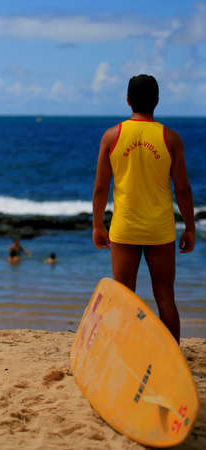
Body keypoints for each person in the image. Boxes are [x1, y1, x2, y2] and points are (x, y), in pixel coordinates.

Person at [92, 74, 195, 344]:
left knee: (125, 297)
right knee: (165, 296)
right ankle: (172, 357)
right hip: (160, 229)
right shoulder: (170, 138)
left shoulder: (111, 136)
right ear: (157, 101)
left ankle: (126, 354)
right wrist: (190, 227)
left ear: (128, 100)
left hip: (124, 228)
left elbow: (101, 188)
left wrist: (97, 225)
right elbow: (183, 189)